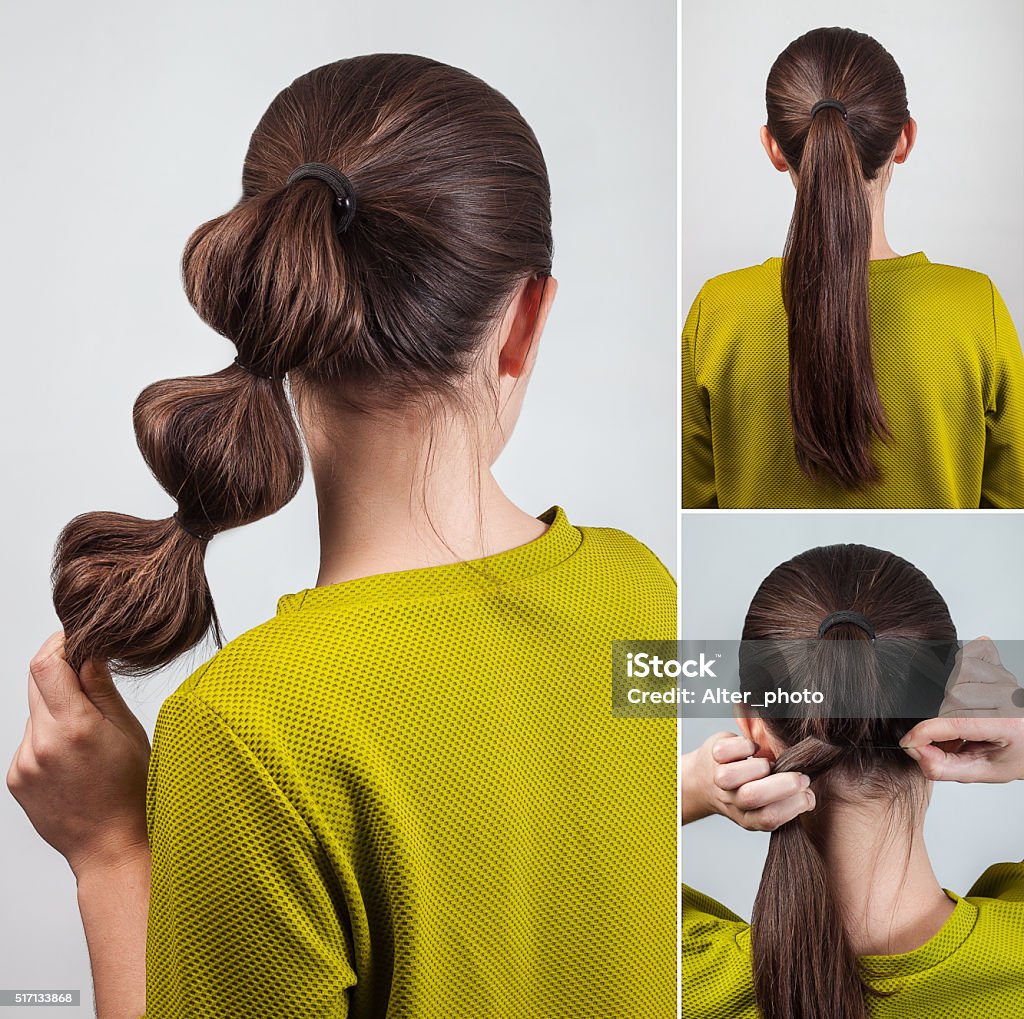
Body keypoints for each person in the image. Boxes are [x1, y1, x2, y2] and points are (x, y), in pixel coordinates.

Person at [6, 54, 677, 1018]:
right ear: (525, 320)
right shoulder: (639, 590)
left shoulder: (250, 729)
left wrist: (110, 854)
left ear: (275, 292)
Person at [681, 26, 1024, 509]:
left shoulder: (719, 311)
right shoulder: (974, 309)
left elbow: (691, 506)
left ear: (774, 147)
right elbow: (1012, 508)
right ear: (904, 139)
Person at [680, 542, 1024, 1019]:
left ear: (751, 722)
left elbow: (567, 844)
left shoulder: (682, 974)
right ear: (953, 710)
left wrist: (692, 785)